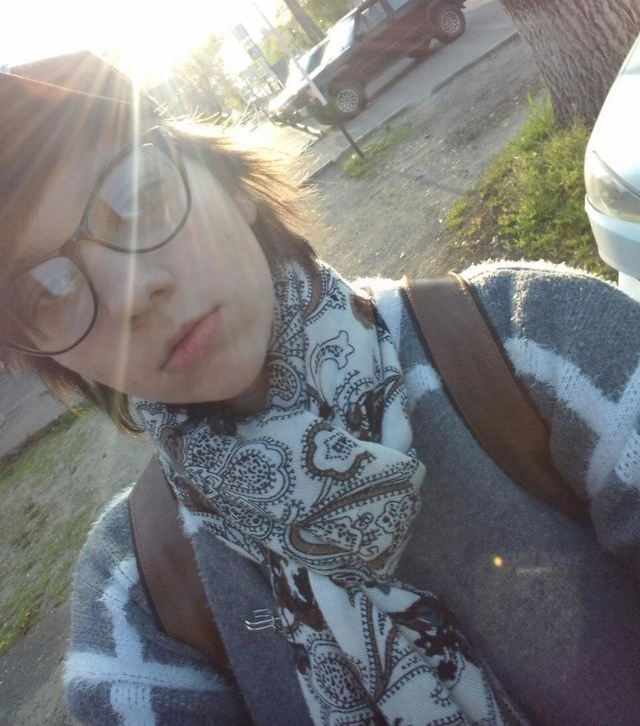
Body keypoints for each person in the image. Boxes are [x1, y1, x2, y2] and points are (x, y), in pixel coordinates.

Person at [1, 51, 640, 726]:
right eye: (48, 290)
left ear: (227, 184)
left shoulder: (531, 341)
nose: (132, 295)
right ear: (59, 364)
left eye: (137, 198)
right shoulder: (137, 597)